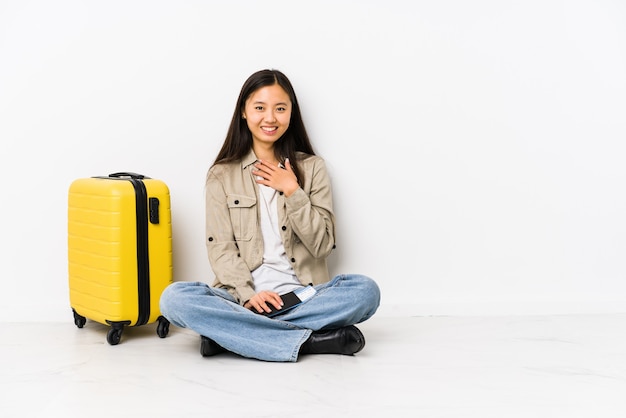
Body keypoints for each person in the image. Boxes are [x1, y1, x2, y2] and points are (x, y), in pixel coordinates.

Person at [159, 69, 380, 362]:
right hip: (242, 300)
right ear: (244, 112)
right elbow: (221, 249)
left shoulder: (313, 168)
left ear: (291, 113)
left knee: (366, 291)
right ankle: (310, 342)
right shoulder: (221, 175)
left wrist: (292, 191)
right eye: (260, 108)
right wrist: (248, 294)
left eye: (280, 108)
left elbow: (322, 245)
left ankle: (232, 338)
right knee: (173, 299)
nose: (270, 118)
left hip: (304, 296)